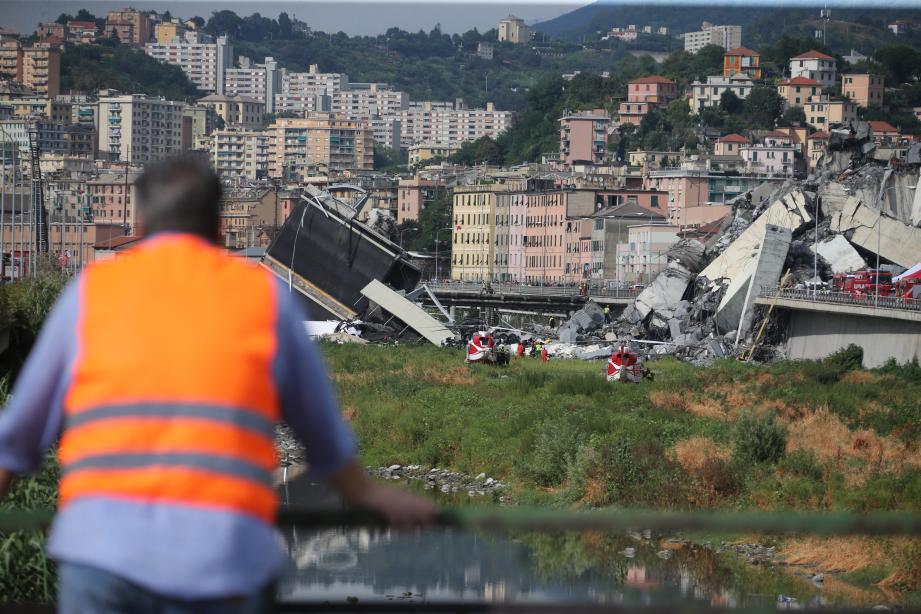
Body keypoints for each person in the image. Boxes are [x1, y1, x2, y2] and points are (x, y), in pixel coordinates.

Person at [0, 157, 437, 613]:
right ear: (219, 226)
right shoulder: (263, 298)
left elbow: (19, 435)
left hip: (102, 556)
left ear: (140, 223)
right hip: (222, 559)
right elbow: (321, 434)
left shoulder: (89, 293)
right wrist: (368, 494)